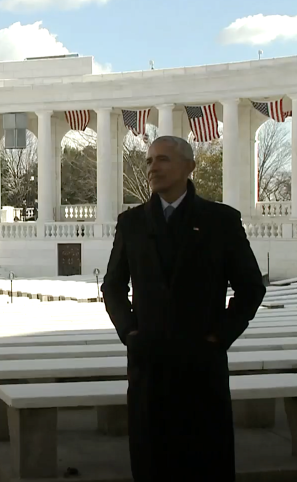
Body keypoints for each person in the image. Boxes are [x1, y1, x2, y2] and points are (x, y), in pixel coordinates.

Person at [101, 135, 266, 481]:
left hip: (201, 365)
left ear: (189, 167)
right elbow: (113, 287)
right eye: (148, 161)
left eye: (162, 159)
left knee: (206, 462)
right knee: (152, 463)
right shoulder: (130, 223)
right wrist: (131, 333)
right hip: (150, 365)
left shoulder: (221, 221)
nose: (152, 168)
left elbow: (250, 287)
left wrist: (219, 336)